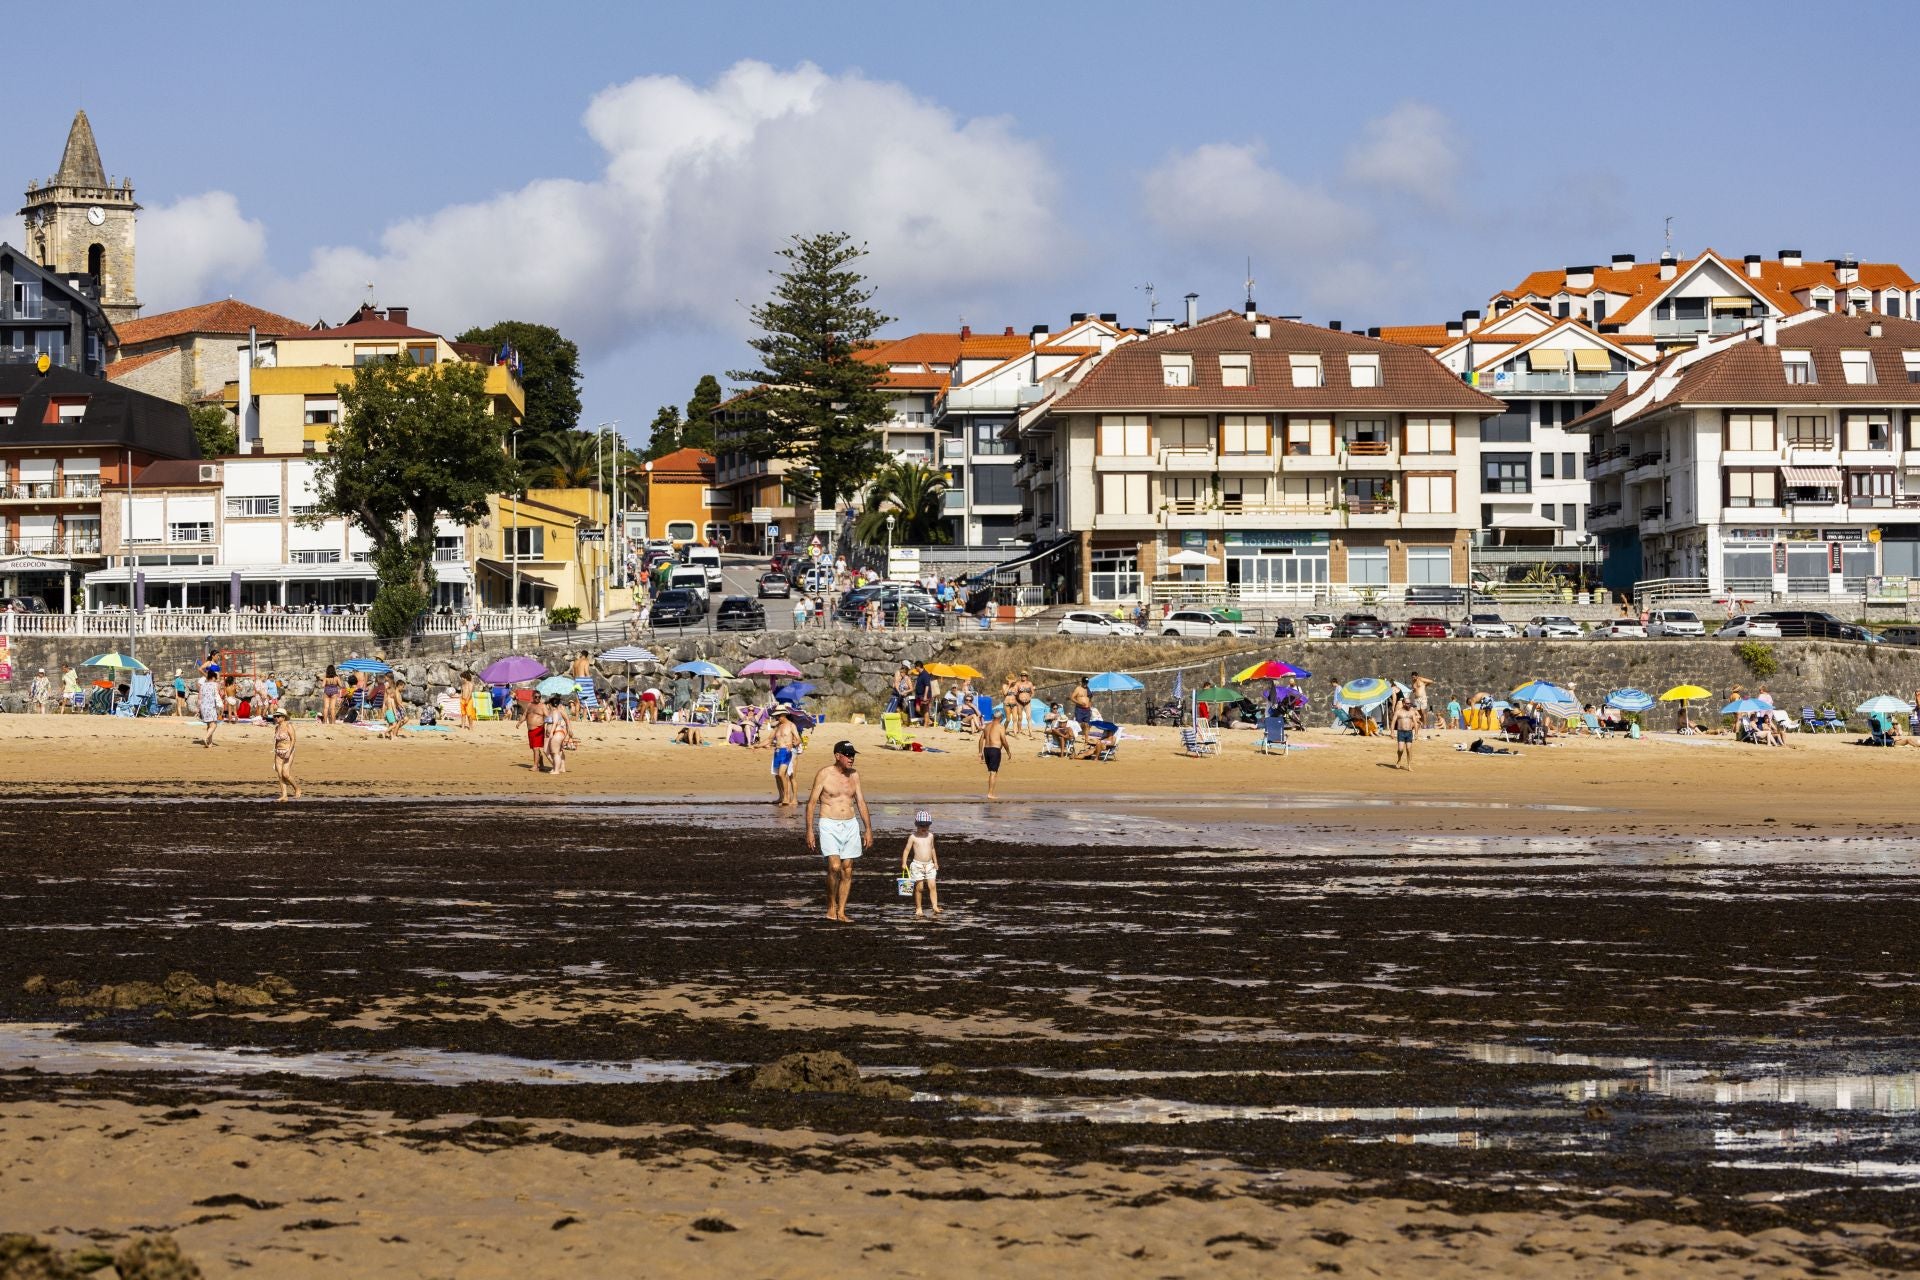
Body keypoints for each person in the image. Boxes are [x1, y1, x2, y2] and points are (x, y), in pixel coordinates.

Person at [805, 740, 872, 923]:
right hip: (828, 824)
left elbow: (860, 802)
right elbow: (811, 803)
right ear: (837, 756)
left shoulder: (854, 775)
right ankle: (831, 907)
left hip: (850, 824)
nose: (851, 758)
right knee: (834, 866)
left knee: (848, 870)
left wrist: (868, 830)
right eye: (848, 755)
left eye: (853, 755)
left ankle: (841, 912)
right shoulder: (824, 774)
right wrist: (810, 831)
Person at [900, 809, 941, 918]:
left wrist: (935, 862)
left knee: (932, 885)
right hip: (917, 865)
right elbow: (906, 850)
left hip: (929, 864)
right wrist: (904, 862)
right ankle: (918, 908)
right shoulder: (913, 837)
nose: (924, 828)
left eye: (926, 826)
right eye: (921, 825)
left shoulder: (930, 836)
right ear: (916, 825)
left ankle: (935, 906)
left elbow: (932, 849)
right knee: (919, 888)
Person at [768, 706, 801, 806]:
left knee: (791, 776)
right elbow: (770, 739)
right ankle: (782, 797)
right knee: (778, 776)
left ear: (783, 715)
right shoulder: (778, 726)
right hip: (779, 751)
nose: (777, 717)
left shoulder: (791, 725)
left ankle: (794, 798)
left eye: (778, 715)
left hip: (791, 752)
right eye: (776, 715)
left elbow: (798, 739)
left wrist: (793, 744)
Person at [271, 710, 301, 802]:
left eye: (278, 716)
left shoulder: (289, 726)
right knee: (280, 775)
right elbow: (276, 741)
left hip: (288, 751)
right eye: (275, 716)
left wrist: (289, 751)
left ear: (283, 717)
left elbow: (293, 739)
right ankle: (284, 795)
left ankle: (297, 788)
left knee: (286, 774)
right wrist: (275, 752)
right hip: (278, 752)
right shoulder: (277, 728)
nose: (276, 718)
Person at [979, 706, 1008, 799]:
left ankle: (991, 792)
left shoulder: (987, 726)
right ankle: (990, 793)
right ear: (1001, 718)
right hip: (995, 750)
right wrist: (1008, 751)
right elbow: (1003, 740)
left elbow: (981, 739)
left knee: (992, 772)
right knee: (993, 772)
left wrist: (980, 752)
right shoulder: (1000, 727)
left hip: (986, 750)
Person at [1391, 694, 1418, 770]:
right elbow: (1393, 722)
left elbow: (1415, 723)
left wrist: (1416, 733)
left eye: (1409, 703)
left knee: (1409, 749)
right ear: (1403, 703)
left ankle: (1409, 765)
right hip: (1401, 732)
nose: (1409, 705)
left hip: (1409, 732)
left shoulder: (1412, 712)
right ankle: (1399, 760)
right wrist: (1392, 732)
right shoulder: (1398, 712)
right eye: (1407, 703)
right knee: (1400, 749)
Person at [545, 694, 571, 772]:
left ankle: (558, 768)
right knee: (550, 751)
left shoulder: (558, 711)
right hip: (552, 733)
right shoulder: (550, 712)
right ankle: (556, 767)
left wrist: (569, 730)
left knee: (557, 752)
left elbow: (566, 720)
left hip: (558, 732)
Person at [196, 668, 221, 748]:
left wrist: (198, 709)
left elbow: (199, 698)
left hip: (203, 707)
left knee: (209, 725)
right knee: (214, 725)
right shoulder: (215, 685)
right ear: (213, 677)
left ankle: (210, 743)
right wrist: (220, 706)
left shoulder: (202, 685)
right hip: (211, 707)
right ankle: (206, 738)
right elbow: (217, 696)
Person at [525, 694, 549, 770]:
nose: (537, 698)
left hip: (538, 729)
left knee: (536, 748)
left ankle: (535, 766)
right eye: (536, 697)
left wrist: (543, 723)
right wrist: (520, 722)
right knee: (534, 748)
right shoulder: (529, 705)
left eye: (539, 697)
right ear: (533, 697)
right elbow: (525, 714)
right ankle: (541, 765)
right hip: (530, 730)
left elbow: (548, 717)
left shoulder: (542, 706)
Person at [1409, 671, 1434, 737]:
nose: (1413, 678)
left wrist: (1425, 685)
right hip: (1416, 698)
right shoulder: (1413, 682)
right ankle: (1420, 725)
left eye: (1414, 677)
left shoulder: (1421, 679)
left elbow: (1431, 681)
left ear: (1417, 676)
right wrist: (1413, 690)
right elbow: (1415, 689)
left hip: (1422, 697)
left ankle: (1425, 726)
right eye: (1412, 677)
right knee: (1419, 713)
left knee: (1423, 712)